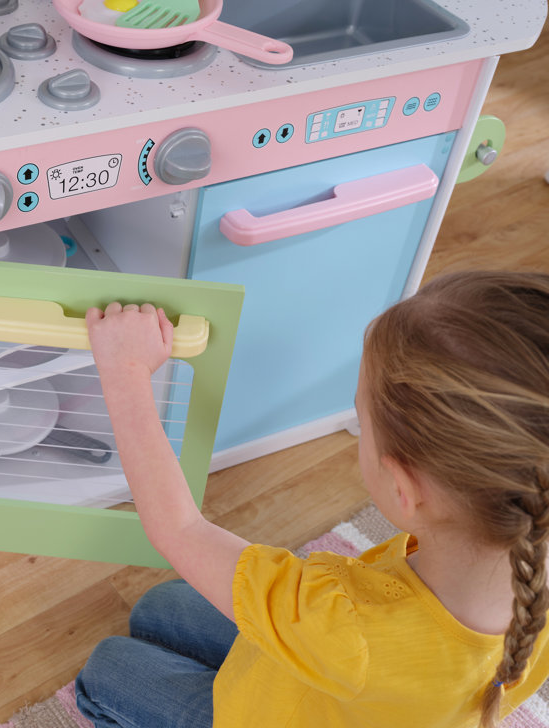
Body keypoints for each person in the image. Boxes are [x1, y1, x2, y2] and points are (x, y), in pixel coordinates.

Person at [75, 270, 549, 728]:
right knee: (159, 609)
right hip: (354, 694)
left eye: (361, 420)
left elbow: (179, 529)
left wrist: (127, 371)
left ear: (404, 490)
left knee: (106, 669)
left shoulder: (342, 625)